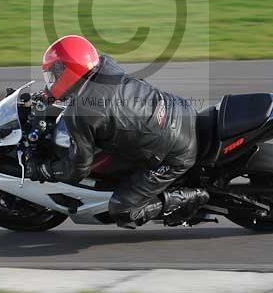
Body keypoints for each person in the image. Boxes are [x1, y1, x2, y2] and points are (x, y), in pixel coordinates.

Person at [26, 34, 209, 227]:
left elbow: (79, 168)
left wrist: (44, 169)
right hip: (182, 111)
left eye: (54, 76)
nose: (52, 80)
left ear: (69, 71)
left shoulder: (80, 115)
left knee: (122, 210)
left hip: (176, 153)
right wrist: (50, 94)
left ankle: (191, 198)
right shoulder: (105, 65)